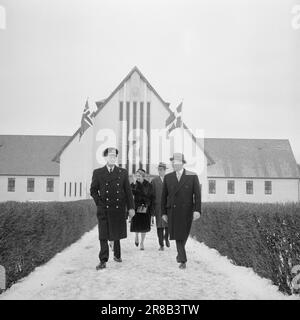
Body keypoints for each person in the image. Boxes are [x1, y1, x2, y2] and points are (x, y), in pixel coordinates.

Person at [90, 147, 135, 270]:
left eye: (114, 156)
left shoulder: (122, 172)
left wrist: (131, 207)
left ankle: (117, 254)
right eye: (110, 156)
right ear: (105, 158)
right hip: (103, 208)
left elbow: (128, 192)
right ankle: (103, 260)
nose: (112, 158)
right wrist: (99, 202)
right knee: (103, 234)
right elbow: (93, 190)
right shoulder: (98, 172)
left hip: (118, 207)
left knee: (116, 232)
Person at [161, 153, 201, 269]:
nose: (175, 164)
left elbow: (197, 196)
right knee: (178, 235)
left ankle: (180, 254)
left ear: (183, 163)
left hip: (187, 211)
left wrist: (197, 210)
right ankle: (183, 260)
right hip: (172, 211)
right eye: (173, 162)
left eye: (178, 162)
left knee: (184, 234)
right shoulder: (168, 177)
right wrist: (163, 212)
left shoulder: (192, 176)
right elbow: (163, 197)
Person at [130, 168, 153, 250]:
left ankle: (142, 243)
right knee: (136, 224)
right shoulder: (134, 184)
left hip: (145, 207)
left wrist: (149, 205)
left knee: (144, 227)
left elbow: (146, 194)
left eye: (139, 176)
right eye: (136, 176)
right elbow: (131, 192)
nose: (137, 177)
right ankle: (136, 236)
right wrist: (134, 183)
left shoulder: (148, 185)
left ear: (143, 176)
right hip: (136, 207)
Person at [151, 162, 170, 251]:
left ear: (165, 170)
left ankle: (166, 238)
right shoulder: (154, 181)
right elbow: (152, 195)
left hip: (167, 206)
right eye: (159, 170)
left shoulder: (169, 180)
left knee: (167, 225)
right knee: (159, 226)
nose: (160, 171)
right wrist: (152, 208)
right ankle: (161, 244)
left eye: (161, 170)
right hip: (158, 206)